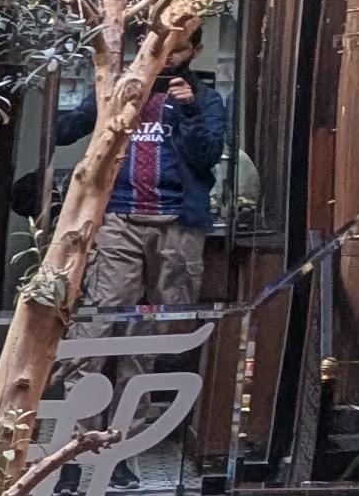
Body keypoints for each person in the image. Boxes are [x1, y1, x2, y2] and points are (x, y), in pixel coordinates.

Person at [51, 43, 231, 324]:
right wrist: (110, 93)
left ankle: (151, 358)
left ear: (195, 51)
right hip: (119, 217)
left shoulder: (205, 98)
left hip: (178, 221)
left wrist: (188, 109)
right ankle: (89, 358)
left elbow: (206, 156)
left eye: (178, 48)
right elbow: (64, 132)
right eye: (162, 44)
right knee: (103, 312)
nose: (168, 54)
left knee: (172, 318)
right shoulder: (120, 90)